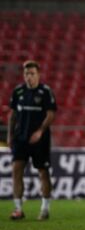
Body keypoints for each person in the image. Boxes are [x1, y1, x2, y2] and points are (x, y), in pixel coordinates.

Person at [8, 60, 56, 220]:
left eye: (32, 74)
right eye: (26, 74)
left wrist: (40, 131)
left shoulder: (45, 91)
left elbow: (51, 114)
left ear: (38, 74)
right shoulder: (18, 91)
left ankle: (45, 207)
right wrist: (9, 135)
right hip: (20, 137)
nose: (29, 77)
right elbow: (13, 115)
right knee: (16, 170)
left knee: (43, 172)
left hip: (40, 139)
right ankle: (18, 208)